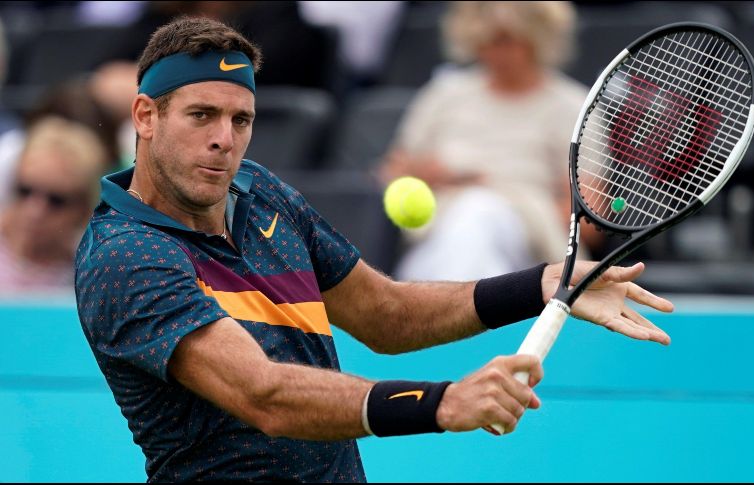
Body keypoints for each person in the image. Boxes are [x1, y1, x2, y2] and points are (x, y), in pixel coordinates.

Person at [74, 16, 673, 483]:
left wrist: (538, 283)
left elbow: (385, 314)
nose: (224, 141)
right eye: (201, 115)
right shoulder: (125, 255)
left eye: (241, 119)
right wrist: (441, 403)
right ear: (145, 116)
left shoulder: (261, 194)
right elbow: (265, 395)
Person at [380, 1, 603, 282]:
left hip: (534, 253)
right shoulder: (443, 94)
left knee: (480, 211)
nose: (495, 52)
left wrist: (508, 198)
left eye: (507, 40)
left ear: (537, 37)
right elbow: (393, 171)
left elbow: (590, 223)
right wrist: (435, 177)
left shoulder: (574, 106)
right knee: (473, 214)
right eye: (486, 40)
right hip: (438, 237)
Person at [0, 116, 106, 294]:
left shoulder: (91, 275)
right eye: (25, 190)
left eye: (56, 200)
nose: (35, 211)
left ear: (82, 209)